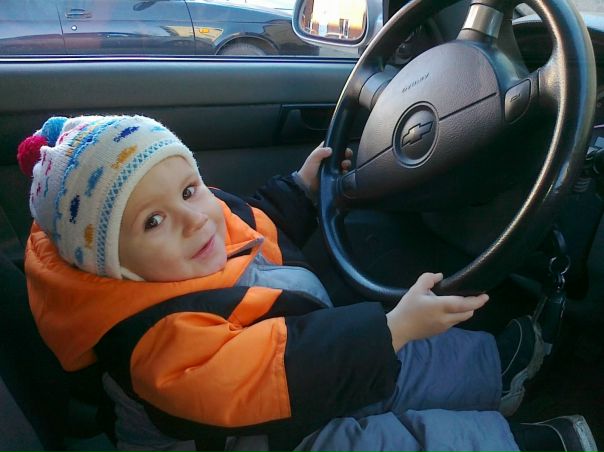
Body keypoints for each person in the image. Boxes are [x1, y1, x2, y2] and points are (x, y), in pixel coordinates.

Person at [18, 115, 598, 452]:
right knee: (384, 441)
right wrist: (388, 332)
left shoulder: (198, 224)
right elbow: (273, 374)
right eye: (152, 222)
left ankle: (496, 371)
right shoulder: (156, 346)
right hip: (242, 433)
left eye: (189, 189)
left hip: (296, 354)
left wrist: (300, 186)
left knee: (409, 357)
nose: (195, 219)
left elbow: (255, 221)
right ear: (112, 266)